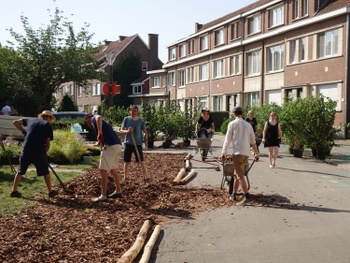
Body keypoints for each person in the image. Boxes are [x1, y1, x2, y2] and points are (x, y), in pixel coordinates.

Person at [10, 110, 58, 198]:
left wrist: (24, 132)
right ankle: (51, 192)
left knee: (20, 171)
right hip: (39, 150)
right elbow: (47, 144)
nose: (51, 121)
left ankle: (14, 191)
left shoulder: (30, 120)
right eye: (51, 119)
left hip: (26, 149)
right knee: (45, 171)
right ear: (48, 117)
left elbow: (15, 122)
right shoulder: (47, 125)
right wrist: (44, 154)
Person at [220, 106, 259, 205]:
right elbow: (253, 141)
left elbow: (227, 140)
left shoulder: (232, 124)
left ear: (234, 114)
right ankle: (233, 194)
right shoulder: (248, 125)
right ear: (242, 113)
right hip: (246, 153)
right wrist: (256, 153)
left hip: (238, 153)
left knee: (240, 175)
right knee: (237, 174)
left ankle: (247, 196)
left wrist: (223, 153)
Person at [84, 113, 123, 202]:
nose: (88, 125)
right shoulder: (100, 124)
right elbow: (102, 138)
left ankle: (103, 195)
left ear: (87, 119)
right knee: (113, 169)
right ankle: (118, 190)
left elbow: (99, 117)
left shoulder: (94, 119)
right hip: (117, 146)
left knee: (103, 170)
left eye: (87, 123)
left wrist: (99, 132)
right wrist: (98, 141)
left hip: (110, 146)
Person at [120, 105, 148, 180]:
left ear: (137, 112)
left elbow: (145, 132)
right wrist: (127, 131)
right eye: (132, 110)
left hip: (138, 143)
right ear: (130, 111)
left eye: (135, 110)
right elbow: (121, 130)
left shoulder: (140, 121)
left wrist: (146, 141)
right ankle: (125, 177)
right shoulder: (126, 119)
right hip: (128, 143)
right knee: (126, 161)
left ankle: (146, 177)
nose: (134, 112)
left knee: (141, 160)